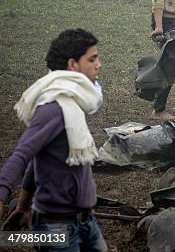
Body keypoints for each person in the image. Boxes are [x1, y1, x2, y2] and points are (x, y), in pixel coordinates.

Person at [0, 28, 107, 251]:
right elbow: (23, 153)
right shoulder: (54, 109)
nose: (99, 64)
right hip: (55, 227)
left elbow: (38, 159)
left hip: (86, 221)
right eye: (92, 59)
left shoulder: (73, 103)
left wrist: (23, 205)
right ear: (73, 64)